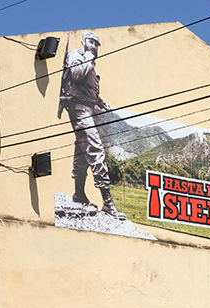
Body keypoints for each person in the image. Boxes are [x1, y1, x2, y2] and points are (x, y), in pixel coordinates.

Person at [58, 31, 126, 221]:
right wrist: (88, 55)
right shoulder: (77, 55)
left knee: (82, 153)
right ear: (83, 42)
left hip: (91, 107)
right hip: (78, 108)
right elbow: (77, 74)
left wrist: (101, 102)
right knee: (95, 149)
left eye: (97, 44)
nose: (94, 47)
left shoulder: (90, 63)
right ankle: (108, 203)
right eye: (91, 42)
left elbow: (89, 89)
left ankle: (79, 194)